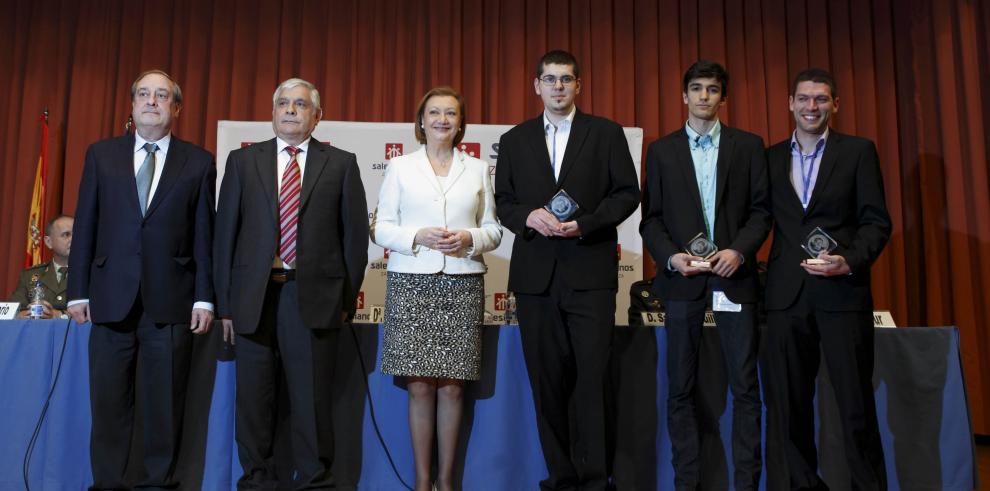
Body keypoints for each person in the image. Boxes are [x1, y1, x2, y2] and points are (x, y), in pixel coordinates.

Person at [494, 49, 640, 491]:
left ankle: (596, 480)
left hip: (590, 275)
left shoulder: (606, 133)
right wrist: (527, 218)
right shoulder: (516, 139)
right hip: (536, 279)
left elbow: (626, 194)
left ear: (579, 86)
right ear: (536, 85)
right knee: (547, 384)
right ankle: (561, 477)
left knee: (592, 382)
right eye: (550, 79)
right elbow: (504, 202)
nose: (558, 86)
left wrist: (588, 223)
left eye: (566, 79)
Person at [214, 78, 369, 489]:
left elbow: (354, 241)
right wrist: (226, 306)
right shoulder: (242, 162)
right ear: (272, 111)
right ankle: (257, 480)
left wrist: (345, 301)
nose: (290, 110)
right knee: (254, 401)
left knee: (312, 401)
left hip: (313, 297)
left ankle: (315, 480)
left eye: (300, 104)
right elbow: (224, 237)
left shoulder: (341, 163)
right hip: (253, 299)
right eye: (283, 103)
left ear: (316, 116)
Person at [66, 69, 215, 489]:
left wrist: (205, 298)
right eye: (144, 95)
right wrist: (77, 290)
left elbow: (205, 235)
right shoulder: (101, 155)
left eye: (162, 95)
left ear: (176, 108)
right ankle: (107, 485)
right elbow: (87, 225)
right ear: (132, 106)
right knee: (110, 407)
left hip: (171, 304)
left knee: (163, 409)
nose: (152, 101)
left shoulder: (199, 161)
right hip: (111, 299)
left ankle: (157, 484)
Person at [640, 60, 770, 491]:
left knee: (746, 389)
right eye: (696, 89)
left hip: (734, 278)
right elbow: (651, 219)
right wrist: (671, 257)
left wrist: (739, 250)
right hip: (682, 282)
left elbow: (760, 212)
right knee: (680, 388)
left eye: (712, 90)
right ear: (684, 96)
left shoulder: (749, 146)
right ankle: (687, 484)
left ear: (723, 98)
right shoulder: (661, 151)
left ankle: (747, 484)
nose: (703, 97)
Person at [370, 86, 502, 491]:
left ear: (461, 123)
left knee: (453, 389)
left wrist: (469, 238)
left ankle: (448, 483)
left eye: (450, 114)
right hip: (412, 282)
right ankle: (422, 482)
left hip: (461, 283)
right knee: (420, 388)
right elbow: (380, 228)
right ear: (421, 121)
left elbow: (494, 231)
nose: (442, 120)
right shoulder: (400, 168)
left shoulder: (478, 169)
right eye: (435, 113)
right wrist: (418, 236)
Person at [765, 68, 891, 490]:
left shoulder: (858, 152)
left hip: (842, 292)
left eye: (821, 99)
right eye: (804, 98)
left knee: (855, 406)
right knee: (790, 407)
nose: (812, 106)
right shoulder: (768, 157)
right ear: (790, 103)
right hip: (786, 297)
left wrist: (848, 260)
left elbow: (876, 223)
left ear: (835, 104)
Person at [11, 215, 74, 319]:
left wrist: (60, 315)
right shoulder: (30, 275)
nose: (73, 239)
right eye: (66, 235)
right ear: (49, 242)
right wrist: (19, 316)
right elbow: (13, 310)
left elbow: (98, 310)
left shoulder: (95, 273)